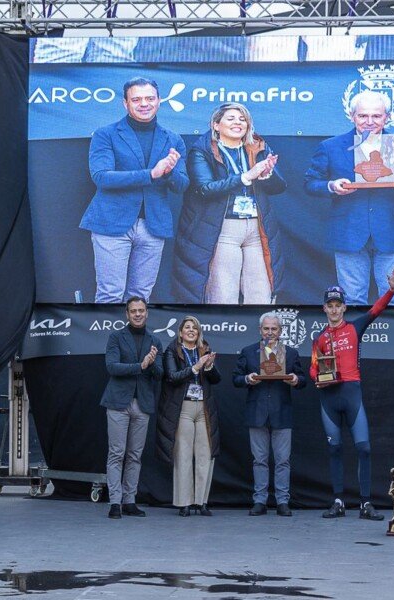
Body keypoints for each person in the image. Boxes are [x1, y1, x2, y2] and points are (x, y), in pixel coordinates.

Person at [304, 90, 394, 306]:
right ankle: (355, 341)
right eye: (363, 116)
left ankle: (393, 340)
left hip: (392, 231)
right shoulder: (330, 146)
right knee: (352, 300)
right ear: (352, 116)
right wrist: (332, 186)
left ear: (387, 117)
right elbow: (310, 183)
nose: (369, 122)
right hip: (348, 231)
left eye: (376, 116)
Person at [80, 77, 190, 303]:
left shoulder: (173, 139)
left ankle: (134, 339)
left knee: (140, 298)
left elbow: (182, 185)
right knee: (110, 293)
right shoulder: (106, 134)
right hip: (111, 223)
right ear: (125, 103)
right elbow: (101, 177)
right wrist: (152, 174)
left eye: (150, 98)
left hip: (153, 226)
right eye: (136, 99)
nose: (144, 104)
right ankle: (107, 340)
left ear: (159, 101)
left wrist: (168, 171)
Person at [310, 265, 394, 520]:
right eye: (329, 305)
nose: (333, 309)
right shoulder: (319, 337)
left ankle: (365, 503)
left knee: (364, 449)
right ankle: (338, 501)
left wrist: (391, 290)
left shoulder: (355, 327)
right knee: (335, 449)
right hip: (329, 398)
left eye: (337, 305)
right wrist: (318, 378)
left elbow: (376, 310)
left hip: (351, 393)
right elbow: (313, 368)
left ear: (344, 308)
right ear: (324, 309)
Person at [173, 102, 287, 304]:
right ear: (216, 125)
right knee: (224, 290)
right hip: (223, 227)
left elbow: (279, 188)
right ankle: (225, 333)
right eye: (231, 118)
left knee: (261, 290)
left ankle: (258, 333)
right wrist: (245, 177)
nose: (238, 123)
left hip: (256, 226)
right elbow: (204, 189)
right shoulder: (202, 151)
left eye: (243, 119)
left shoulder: (258, 146)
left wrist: (267, 175)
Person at [232, 312, 307, 516]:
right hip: (256, 412)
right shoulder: (249, 352)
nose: (270, 332)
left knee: (283, 460)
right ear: (260, 330)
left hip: (282, 412)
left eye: (274, 329)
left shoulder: (290, 353)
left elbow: (303, 379)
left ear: (281, 331)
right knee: (259, 460)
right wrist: (247, 378)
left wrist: (295, 380)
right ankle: (260, 501)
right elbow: (235, 378)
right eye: (266, 328)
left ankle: (283, 501)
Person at [100, 296, 163, 519]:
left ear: (147, 313)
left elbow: (159, 375)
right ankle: (115, 502)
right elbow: (112, 367)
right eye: (133, 310)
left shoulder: (155, 340)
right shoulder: (116, 337)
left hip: (142, 404)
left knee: (135, 455)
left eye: (141, 310)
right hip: (118, 403)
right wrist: (141, 365)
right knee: (116, 453)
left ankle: (130, 500)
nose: (137, 314)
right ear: (127, 314)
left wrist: (153, 363)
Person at [156, 316, 221, 517]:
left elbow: (216, 379)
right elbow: (172, 377)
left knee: (205, 454)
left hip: (203, 408)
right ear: (181, 332)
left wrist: (209, 366)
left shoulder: (205, 349)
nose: (191, 330)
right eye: (187, 327)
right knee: (183, 455)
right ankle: (184, 503)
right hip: (182, 407)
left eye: (195, 328)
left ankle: (201, 502)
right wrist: (195, 367)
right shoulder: (172, 350)